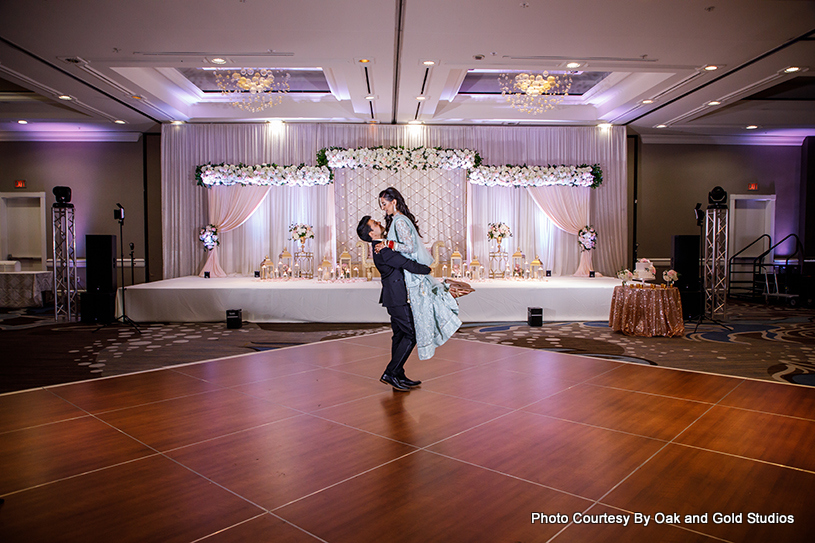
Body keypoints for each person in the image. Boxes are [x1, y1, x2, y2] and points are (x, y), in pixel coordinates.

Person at [375, 187, 462, 360]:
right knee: (405, 327)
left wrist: (388, 244)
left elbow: (411, 248)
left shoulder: (399, 221)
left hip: (411, 274)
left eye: (384, 204)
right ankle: (396, 370)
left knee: (414, 323)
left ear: (394, 202)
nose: (383, 208)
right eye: (381, 205)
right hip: (407, 272)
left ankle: (396, 369)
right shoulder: (398, 220)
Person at [357, 215, 431, 391]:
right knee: (411, 334)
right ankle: (390, 373)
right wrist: (426, 269)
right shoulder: (381, 249)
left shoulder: (382, 245)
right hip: (396, 299)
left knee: (399, 335)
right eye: (375, 224)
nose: (379, 223)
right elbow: (406, 263)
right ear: (371, 233)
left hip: (394, 297)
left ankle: (398, 374)